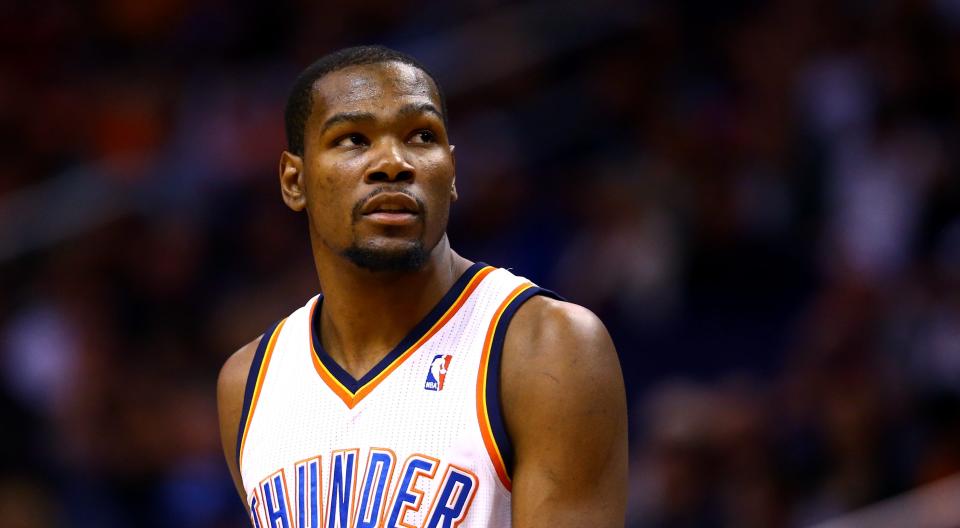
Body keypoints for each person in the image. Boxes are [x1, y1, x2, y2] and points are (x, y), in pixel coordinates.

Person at [216, 45, 627, 528]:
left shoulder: (546, 347)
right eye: (352, 139)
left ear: (451, 172)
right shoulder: (248, 383)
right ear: (294, 180)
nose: (393, 162)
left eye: (420, 136)